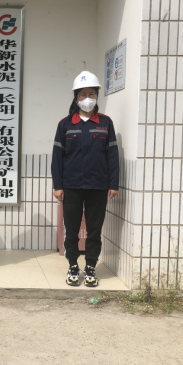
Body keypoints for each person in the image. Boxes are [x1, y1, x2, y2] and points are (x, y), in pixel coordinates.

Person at [51, 71, 119, 287]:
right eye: (82, 95)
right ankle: (73, 265)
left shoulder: (105, 123)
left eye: (91, 94)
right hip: (71, 187)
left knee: (94, 231)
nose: (87, 99)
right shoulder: (65, 124)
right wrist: (57, 186)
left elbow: (112, 156)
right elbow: (57, 158)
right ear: (76, 97)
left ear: (97, 96)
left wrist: (113, 183)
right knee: (71, 230)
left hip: (98, 187)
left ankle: (90, 267)